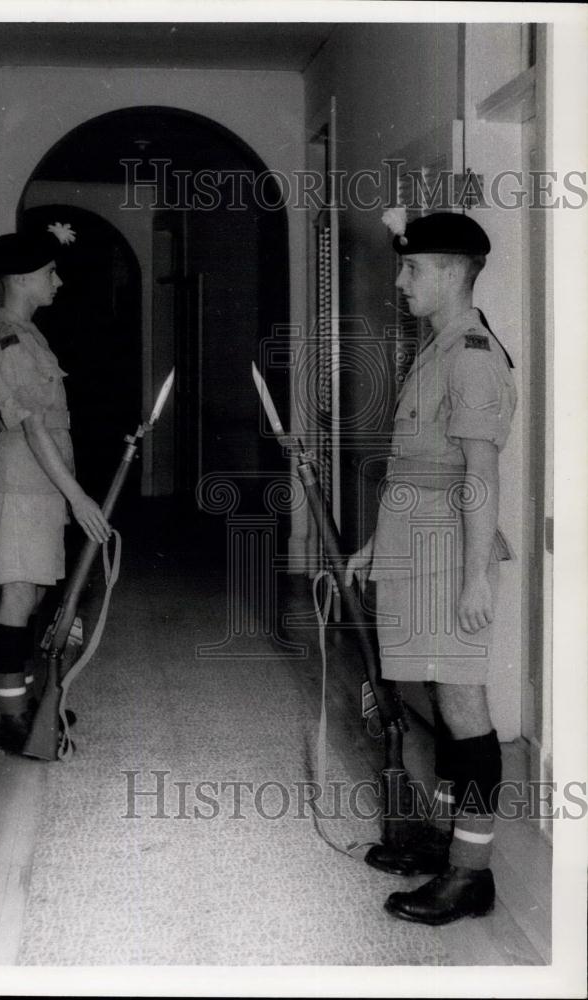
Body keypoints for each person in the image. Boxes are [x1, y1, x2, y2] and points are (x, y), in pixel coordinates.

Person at [345, 211, 517, 925]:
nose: (401, 280)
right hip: (418, 546)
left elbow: (479, 473)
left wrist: (477, 575)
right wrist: (376, 548)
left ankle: (470, 874)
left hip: (451, 553)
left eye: (412, 268)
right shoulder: (438, 345)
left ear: (449, 271)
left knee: (464, 710)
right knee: (432, 701)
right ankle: (446, 844)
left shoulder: (471, 352)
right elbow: (422, 465)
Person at [0, 229, 111, 754]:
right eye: (50, 272)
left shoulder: (28, 333)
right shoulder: (9, 340)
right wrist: (78, 497)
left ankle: (28, 702)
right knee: (17, 591)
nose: (58, 280)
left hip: (38, 480)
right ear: (21, 278)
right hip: (23, 479)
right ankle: (12, 721)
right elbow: (32, 429)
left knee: (30, 590)